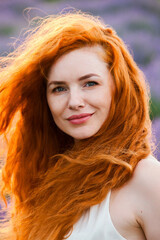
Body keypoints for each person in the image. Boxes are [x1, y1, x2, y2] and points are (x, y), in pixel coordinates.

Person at [0, 11, 160, 240]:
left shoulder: (147, 179)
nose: (74, 102)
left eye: (90, 83)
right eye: (59, 88)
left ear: (118, 88)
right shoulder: (48, 180)